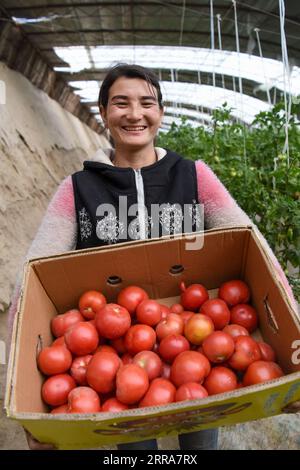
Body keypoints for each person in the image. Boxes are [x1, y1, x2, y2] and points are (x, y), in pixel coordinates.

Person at [7, 64, 296, 451]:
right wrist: (19, 392)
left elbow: (255, 246)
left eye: (147, 102)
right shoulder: (76, 190)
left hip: (192, 338)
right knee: (134, 451)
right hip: (113, 346)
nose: (134, 114)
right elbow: (30, 279)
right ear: (104, 112)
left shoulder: (195, 177)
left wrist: (294, 346)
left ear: (160, 113)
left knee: (200, 441)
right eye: (120, 103)